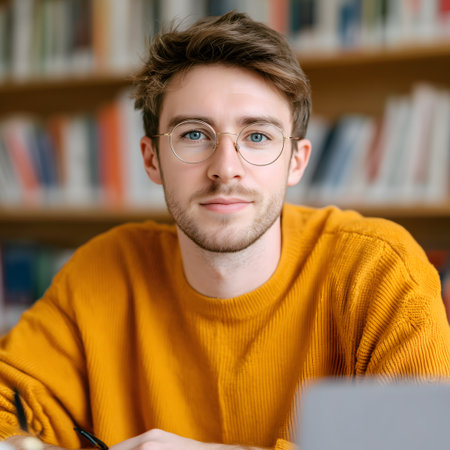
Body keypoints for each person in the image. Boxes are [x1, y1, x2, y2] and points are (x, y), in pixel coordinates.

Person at [1, 10, 450, 450]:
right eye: (194, 135)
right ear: (151, 158)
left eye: (257, 136)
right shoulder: (101, 271)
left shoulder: (380, 271)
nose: (225, 169)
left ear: (296, 160)